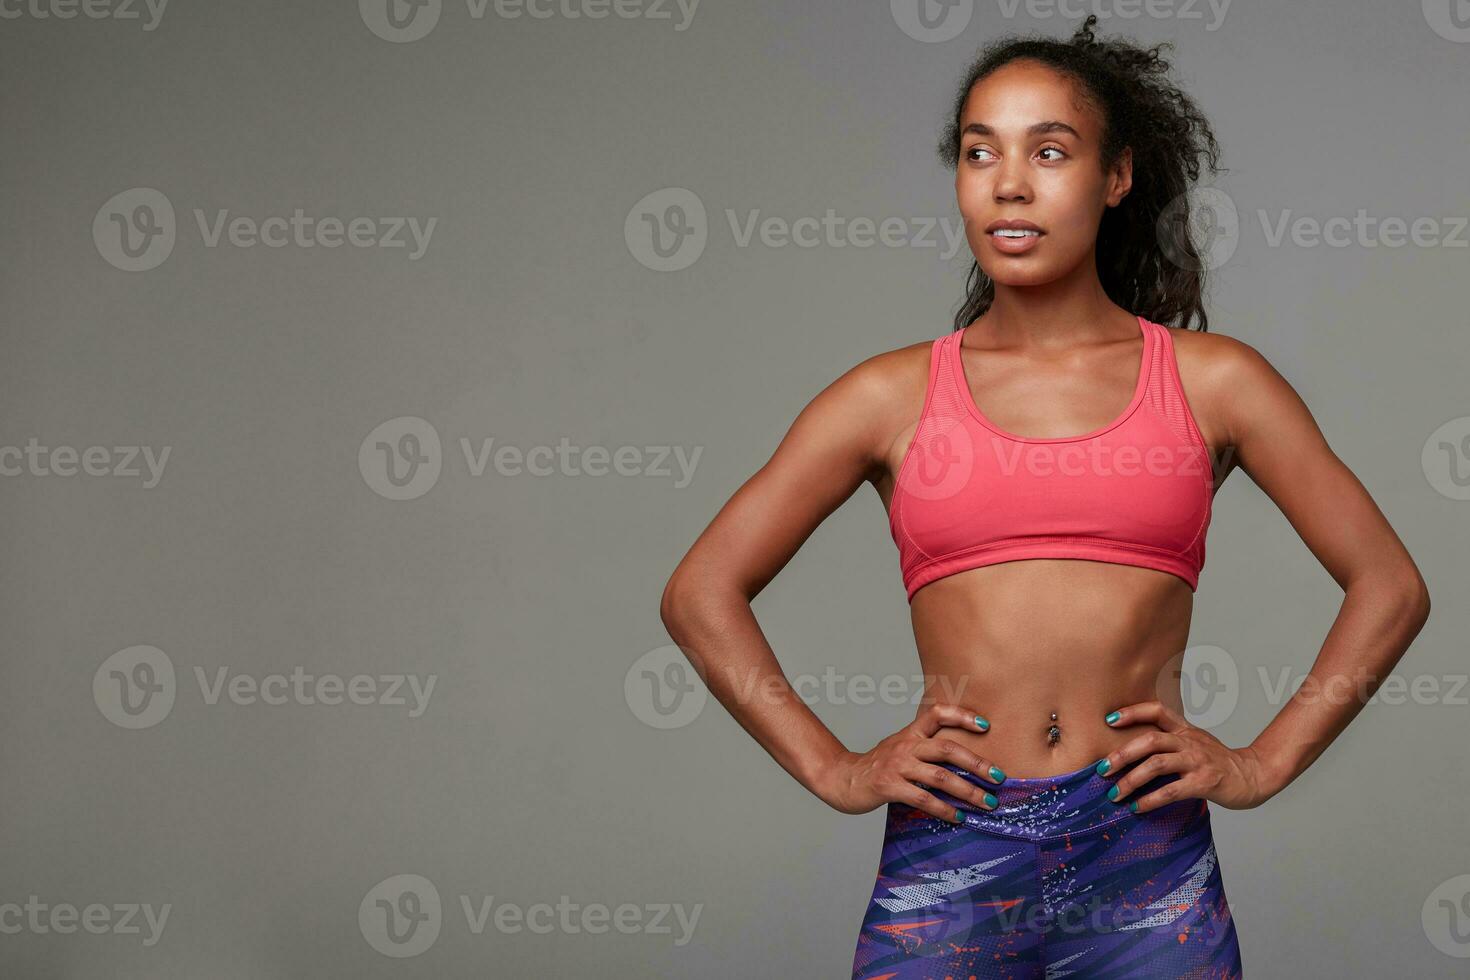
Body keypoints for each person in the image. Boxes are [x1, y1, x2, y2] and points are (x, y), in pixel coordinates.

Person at [658, 16, 1430, 978]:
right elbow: (700, 592)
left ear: (1116, 178)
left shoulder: (1216, 383)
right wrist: (836, 766)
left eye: (1049, 151)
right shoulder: (886, 397)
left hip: (1147, 863)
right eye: (980, 152)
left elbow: (1390, 586)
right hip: (952, 852)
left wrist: (1260, 764)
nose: (1009, 183)